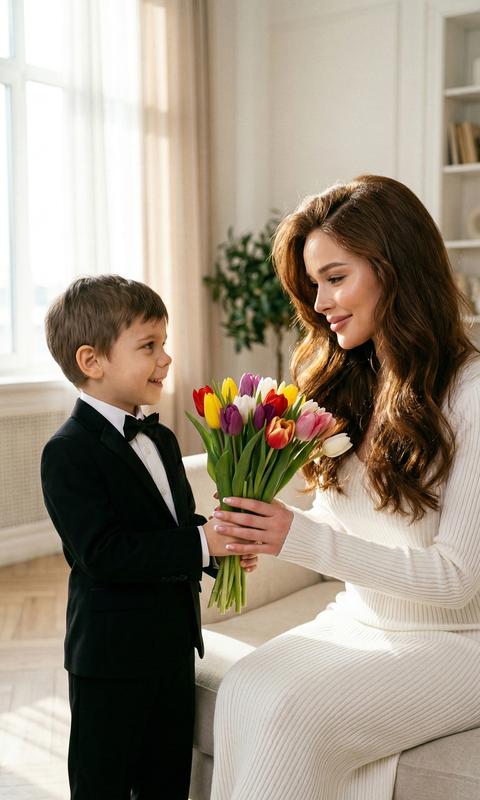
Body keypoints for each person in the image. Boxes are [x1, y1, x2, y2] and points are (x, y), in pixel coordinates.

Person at [208, 175, 480, 800]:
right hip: (360, 619)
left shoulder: (469, 393)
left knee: (292, 715)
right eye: (313, 285)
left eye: (336, 277)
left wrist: (298, 538)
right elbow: (348, 528)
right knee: (245, 687)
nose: (321, 300)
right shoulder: (346, 384)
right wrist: (269, 529)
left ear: (395, 268)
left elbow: (458, 580)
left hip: (459, 641)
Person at [40, 275, 256, 800]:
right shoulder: (67, 452)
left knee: (167, 784)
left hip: (174, 649)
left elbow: (173, 531)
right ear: (92, 361)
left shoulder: (159, 436)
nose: (166, 358)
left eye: (165, 343)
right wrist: (203, 547)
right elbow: (105, 555)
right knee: (103, 786)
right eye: (149, 346)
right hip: (111, 663)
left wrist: (218, 543)